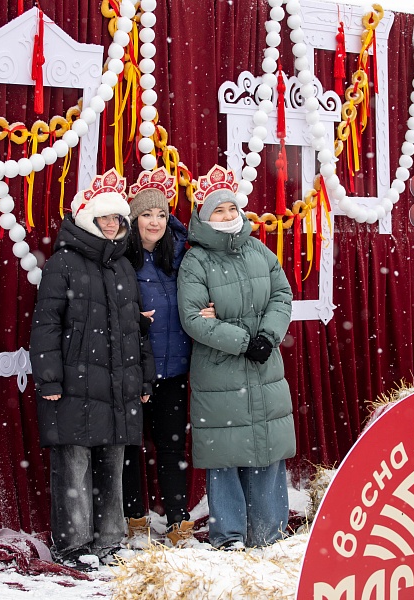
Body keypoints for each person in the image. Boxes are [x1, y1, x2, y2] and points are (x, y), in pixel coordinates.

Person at [30, 169, 155, 568]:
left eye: (117, 218)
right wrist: (49, 378)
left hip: (117, 385)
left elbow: (135, 327)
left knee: (112, 464)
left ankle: (109, 541)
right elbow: (46, 325)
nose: (113, 225)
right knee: (74, 465)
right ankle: (74, 545)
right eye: (105, 218)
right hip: (74, 383)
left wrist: (144, 378)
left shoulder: (123, 267)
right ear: (89, 219)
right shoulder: (62, 264)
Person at [177, 165, 296, 550]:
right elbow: (194, 318)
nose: (228, 215)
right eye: (219, 210)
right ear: (204, 217)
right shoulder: (196, 261)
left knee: (267, 448)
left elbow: (282, 295)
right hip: (221, 373)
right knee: (225, 454)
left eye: (232, 208)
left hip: (265, 367)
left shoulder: (258, 250)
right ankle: (228, 537)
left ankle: (270, 534)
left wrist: (267, 336)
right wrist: (244, 341)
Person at [121, 168, 214, 547]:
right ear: (134, 219)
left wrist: (211, 308)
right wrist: (130, 318)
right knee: (130, 447)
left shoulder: (180, 256)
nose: (155, 222)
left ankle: (178, 522)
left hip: (174, 370)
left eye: (160, 214)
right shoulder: (121, 257)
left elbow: (201, 293)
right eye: (146, 214)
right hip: (133, 369)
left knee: (172, 447)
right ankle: (135, 521)